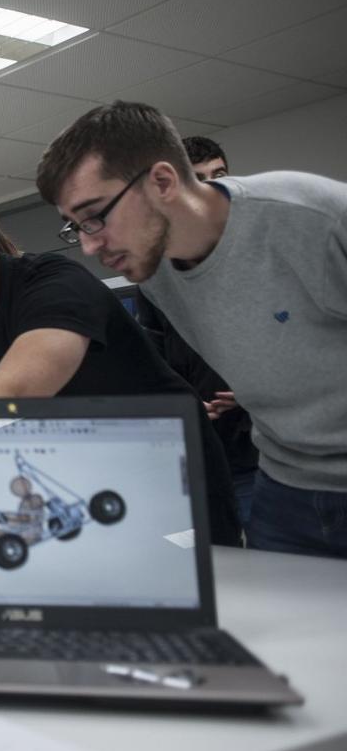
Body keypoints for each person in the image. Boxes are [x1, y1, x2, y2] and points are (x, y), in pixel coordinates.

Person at [37, 101, 347, 558]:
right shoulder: (155, 272)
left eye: (96, 216)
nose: (87, 245)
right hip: (286, 486)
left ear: (163, 181)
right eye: (75, 227)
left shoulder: (312, 217)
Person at [0, 172, 240, 545]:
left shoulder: (55, 285)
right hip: (83, 480)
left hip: (169, 471)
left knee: (207, 594)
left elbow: (15, 392)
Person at [135, 135, 260, 526]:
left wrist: (254, 392)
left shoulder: (256, 259)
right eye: (200, 178)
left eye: (220, 175)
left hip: (264, 455)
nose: (214, 187)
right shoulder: (156, 279)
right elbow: (155, 363)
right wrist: (183, 403)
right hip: (199, 454)